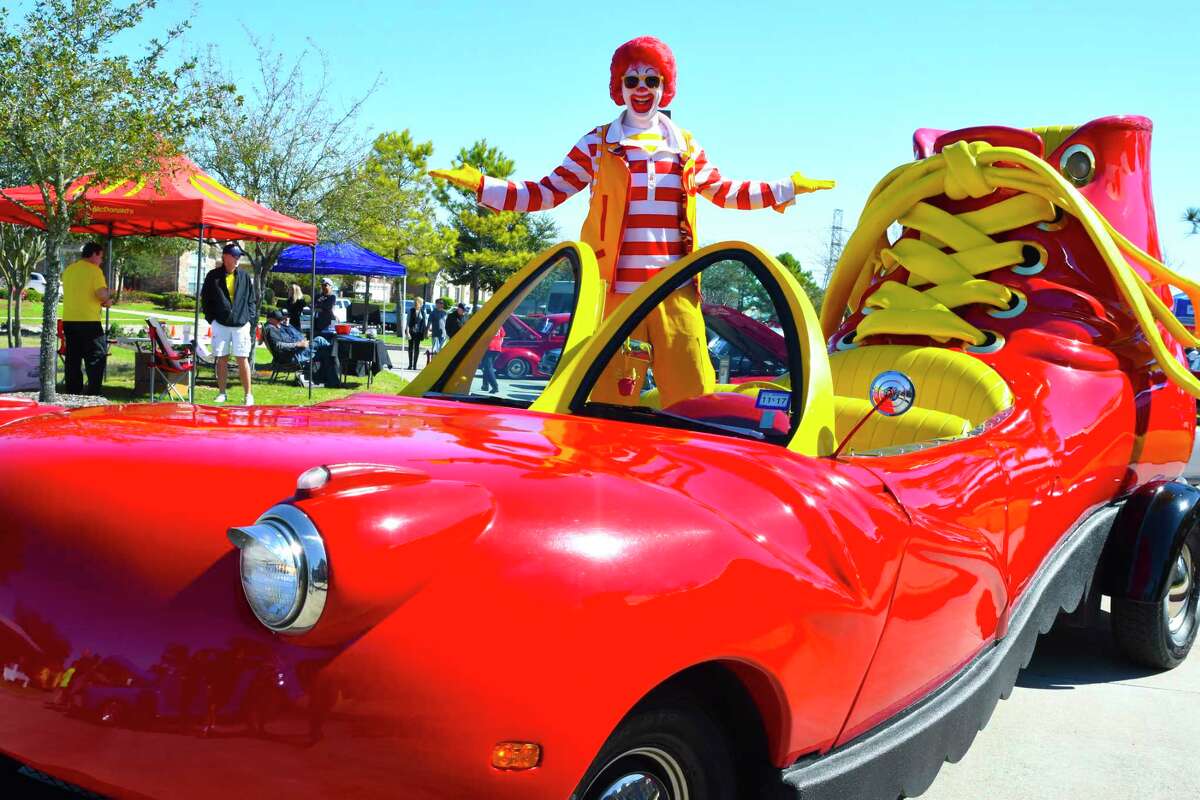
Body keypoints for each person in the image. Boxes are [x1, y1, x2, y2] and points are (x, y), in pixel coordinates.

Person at [431, 36, 833, 408]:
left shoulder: (685, 146)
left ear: (664, 86)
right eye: (632, 79)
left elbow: (725, 191)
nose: (642, 88)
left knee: (693, 397)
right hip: (617, 295)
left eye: (651, 79)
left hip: (674, 292)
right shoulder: (598, 143)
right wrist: (484, 186)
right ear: (618, 86)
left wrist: (786, 188)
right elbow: (546, 191)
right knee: (607, 398)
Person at [200, 243, 258, 406]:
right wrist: (211, 319)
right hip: (221, 324)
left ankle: (248, 395)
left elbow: (251, 300)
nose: (238, 258)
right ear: (225, 257)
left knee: (242, 359)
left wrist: (250, 319)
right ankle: (222, 393)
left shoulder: (245, 276)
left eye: (238, 256)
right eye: (235, 255)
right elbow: (205, 299)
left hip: (241, 325)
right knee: (222, 359)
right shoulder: (213, 276)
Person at [60, 242, 114, 395]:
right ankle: (93, 392)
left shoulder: (69, 270)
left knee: (73, 357)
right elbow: (101, 294)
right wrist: (107, 299)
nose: (101, 260)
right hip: (88, 320)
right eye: (101, 257)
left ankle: (73, 391)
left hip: (69, 320)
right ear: (94, 254)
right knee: (96, 356)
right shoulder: (94, 271)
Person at [262, 309, 332, 387]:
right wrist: (298, 344)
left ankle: (325, 374)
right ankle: (331, 371)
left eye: (281, 319)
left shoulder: (272, 327)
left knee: (323, 348)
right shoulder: (271, 329)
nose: (280, 322)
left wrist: (301, 343)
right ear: (271, 319)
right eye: (278, 320)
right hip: (292, 356)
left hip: (293, 353)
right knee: (321, 342)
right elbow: (279, 345)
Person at [481, 326, 505, 393]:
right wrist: (498, 345)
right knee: (487, 367)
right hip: (497, 348)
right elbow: (502, 337)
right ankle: (485, 385)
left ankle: (495, 387)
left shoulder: (488, 324)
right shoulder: (499, 325)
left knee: (488, 367)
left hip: (489, 347)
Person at [406, 297, 428, 370]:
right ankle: (410, 364)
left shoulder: (423, 311)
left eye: (419, 303)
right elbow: (408, 322)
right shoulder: (411, 310)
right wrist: (407, 332)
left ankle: (415, 365)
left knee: (416, 348)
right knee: (410, 348)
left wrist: (426, 332)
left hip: (419, 332)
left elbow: (425, 323)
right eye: (416, 302)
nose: (417, 304)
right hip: (411, 331)